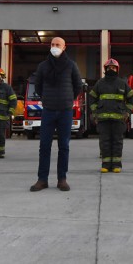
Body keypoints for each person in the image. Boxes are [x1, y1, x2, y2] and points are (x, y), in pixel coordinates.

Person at [30, 37, 83, 192]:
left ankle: (62, 179)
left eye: (58, 45)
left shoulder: (71, 65)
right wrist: (46, 99)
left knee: (64, 146)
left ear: (64, 47)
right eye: (52, 44)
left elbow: (78, 85)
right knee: (44, 146)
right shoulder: (43, 66)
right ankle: (42, 180)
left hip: (65, 111)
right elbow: (38, 86)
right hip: (48, 110)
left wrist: (68, 99)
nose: (54, 47)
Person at [88, 58, 133, 173]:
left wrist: (127, 112)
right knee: (104, 142)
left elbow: (131, 98)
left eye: (113, 67)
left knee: (117, 142)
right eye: (109, 67)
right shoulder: (100, 83)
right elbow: (92, 98)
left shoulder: (122, 83)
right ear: (105, 69)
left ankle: (116, 165)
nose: (111, 69)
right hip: (103, 120)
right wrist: (95, 113)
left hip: (119, 119)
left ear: (117, 69)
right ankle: (105, 165)